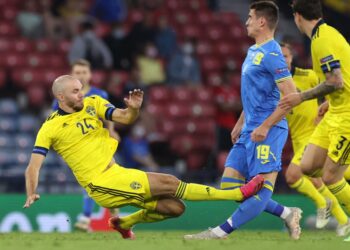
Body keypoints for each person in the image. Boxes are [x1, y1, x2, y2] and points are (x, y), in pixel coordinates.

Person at [23, 75, 265, 240]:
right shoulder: (50, 128)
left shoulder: (92, 103)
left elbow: (125, 118)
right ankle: (237, 194)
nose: (81, 94)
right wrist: (31, 191)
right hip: (100, 184)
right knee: (170, 182)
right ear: (61, 98)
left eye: (81, 89)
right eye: (75, 92)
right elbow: (33, 167)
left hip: (116, 172)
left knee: (175, 207)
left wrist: (135, 108)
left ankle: (124, 223)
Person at [184, 1, 300, 240]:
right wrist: (240, 122)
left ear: (261, 21)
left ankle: (218, 233)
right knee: (230, 186)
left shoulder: (273, 53)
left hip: (269, 130)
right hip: (249, 128)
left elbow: (292, 96)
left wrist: (266, 125)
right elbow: (253, 94)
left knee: (260, 189)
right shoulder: (252, 50)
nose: (246, 21)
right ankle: (287, 213)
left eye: (249, 17)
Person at [280, 0, 350, 239]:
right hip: (335, 110)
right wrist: (330, 102)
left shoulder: (322, 40)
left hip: (347, 117)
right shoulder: (325, 34)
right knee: (308, 167)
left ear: (297, 16)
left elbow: (335, 80)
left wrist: (301, 97)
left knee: (331, 177)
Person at [52, 59, 120, 232]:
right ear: (72, 75)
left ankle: (87, 218)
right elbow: (55, 121)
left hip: (97, 144)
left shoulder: (99, 94)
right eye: (78, 72)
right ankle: (113, 213)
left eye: (84, 72)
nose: (81, 75)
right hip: (77, 147)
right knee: (99, 181)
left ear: (90, 75)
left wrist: (111, 130)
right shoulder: (63, 97)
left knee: (96, 180)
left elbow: (107, 115)